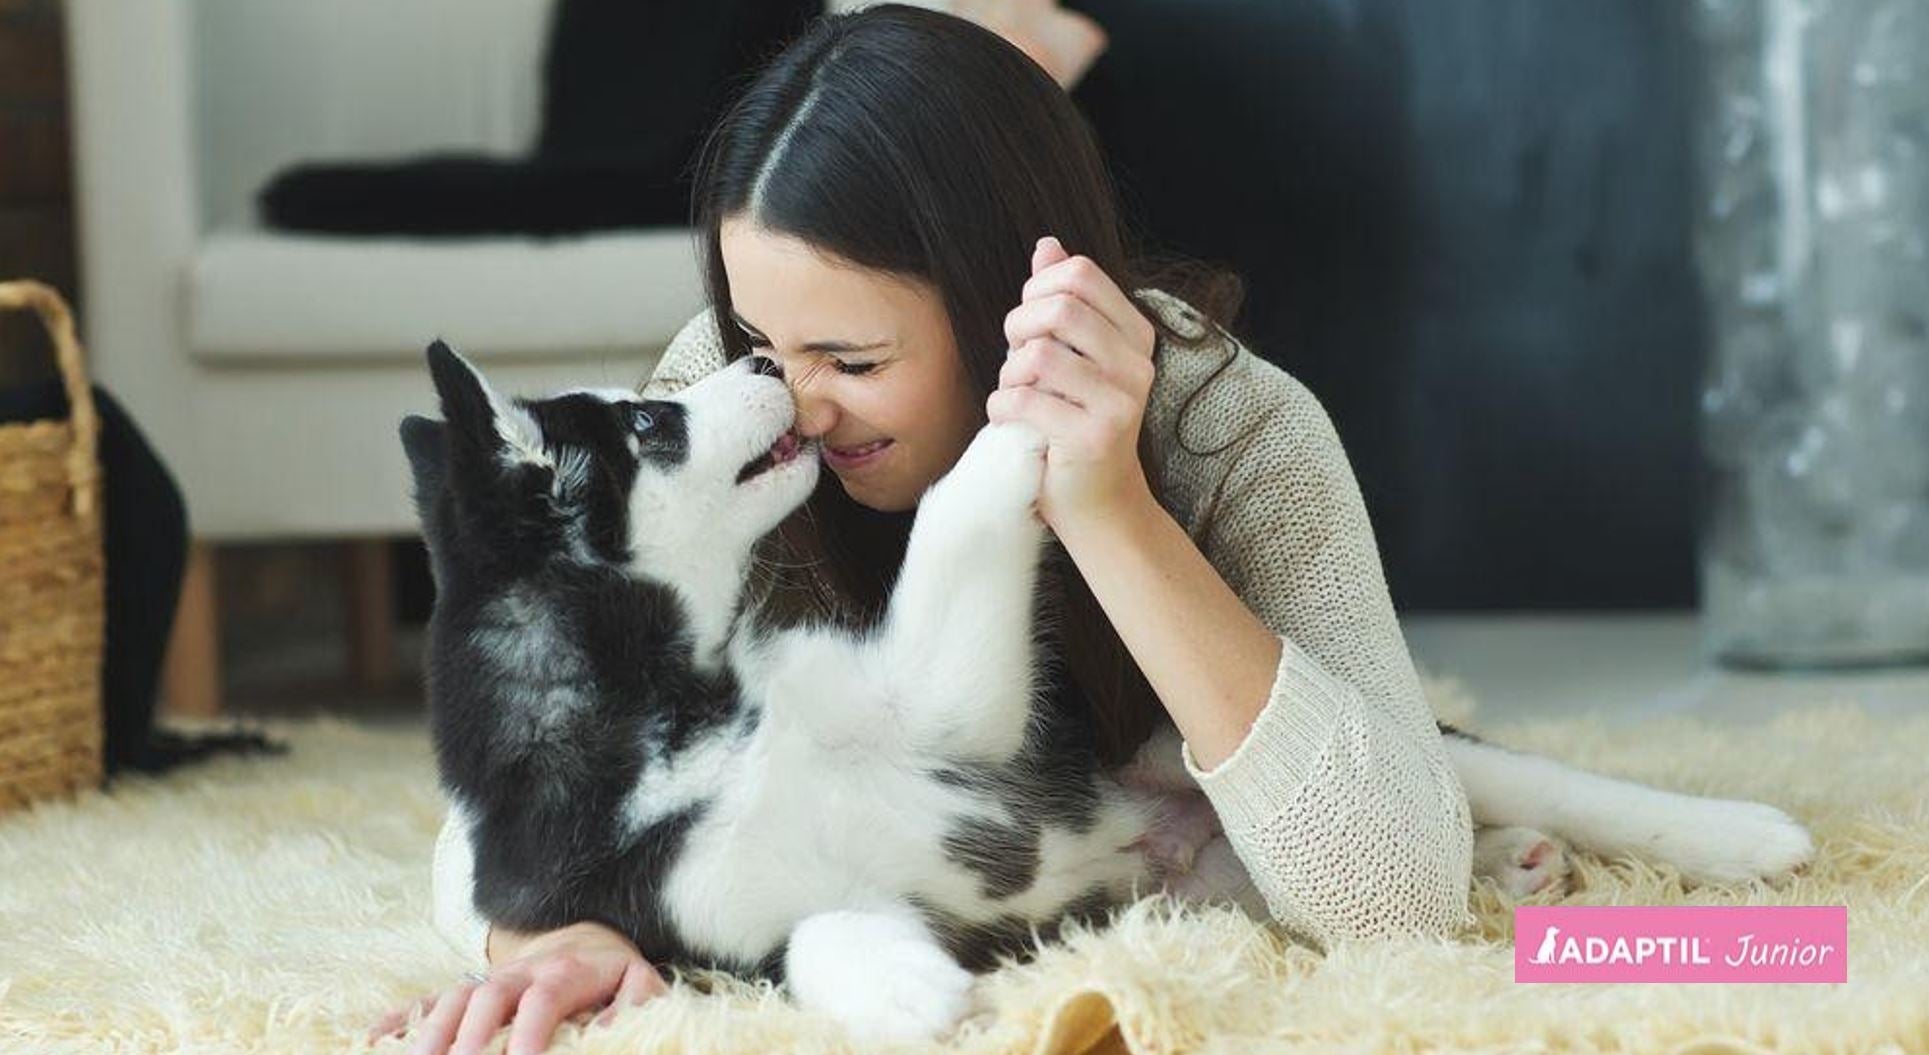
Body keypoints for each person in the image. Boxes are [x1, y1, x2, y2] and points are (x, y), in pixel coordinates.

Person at [373, 6, 1473, 1053]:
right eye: (757, 332)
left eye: (854, 363)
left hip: (1137, 827)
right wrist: (555, 929)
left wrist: (1105, 503)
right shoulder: (732, 403)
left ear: (1004, 305)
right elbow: (516, 786)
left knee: (1594, 940)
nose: (792, 401)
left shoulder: (1232, 425)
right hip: (954, 879)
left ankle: (1656, 949)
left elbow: (1402, 895)